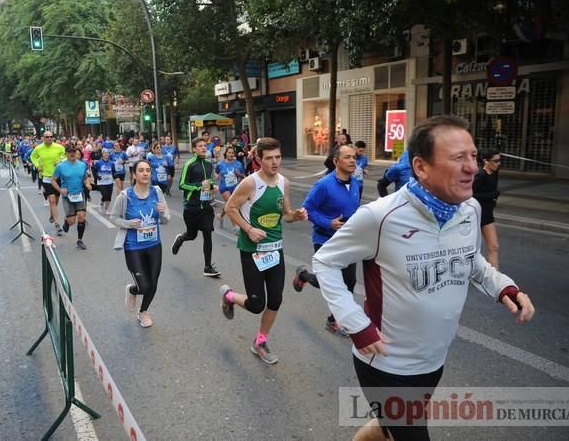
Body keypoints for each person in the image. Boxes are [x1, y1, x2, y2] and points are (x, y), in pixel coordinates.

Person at [312, 115, 535, 441]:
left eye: (473, 156)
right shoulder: (380, 216)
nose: (473, 167)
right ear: (421, 166)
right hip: (386, 362)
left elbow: (470, 261)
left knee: (387, 427)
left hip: (433, 357)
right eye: (459, 158)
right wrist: (355, 323)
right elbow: (325, 262)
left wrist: (504, 287)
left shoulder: (469, 208)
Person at [219, 137, 309, 365]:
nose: (275, 162)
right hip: (252, 250)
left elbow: (285, 215)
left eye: (278, 157)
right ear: (259, 160)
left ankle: (260, 341)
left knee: (276, 300)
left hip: (275, 249)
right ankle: (228, 296)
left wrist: (295, 216)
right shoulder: (250, 183)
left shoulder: (284, 183)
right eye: (269, 158)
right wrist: (248, 229)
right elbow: (230, 207)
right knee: (257, 303)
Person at [294, 144, 361, 337]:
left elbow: (354, 210)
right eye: (347, 157)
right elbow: (307, 209)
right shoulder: (324, 184)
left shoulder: (355, 183)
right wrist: (328, 223)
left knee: (348, 283)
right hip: (325, 240)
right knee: (330, 283)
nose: (352, 161)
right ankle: (304, 276)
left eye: (354, 157)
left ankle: (333, 320)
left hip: (348, 241)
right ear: (336, 161)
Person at [111, 159, 170, 328]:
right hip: (133, 247)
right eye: (141, 170)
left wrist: (163, 213)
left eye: (148, 170)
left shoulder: (157, 192)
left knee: (153, 283)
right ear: (134, 175)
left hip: (154, 244)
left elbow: (166, 220)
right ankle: (133, 290)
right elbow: (113, 217)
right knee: (143, 286)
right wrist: (129, 224)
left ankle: (143, 312)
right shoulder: (125, 195)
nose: (145, 173)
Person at [170, 137, 221, 277]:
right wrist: (199, 186)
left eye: (205, 145)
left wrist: (212, 186)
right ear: (194, 149)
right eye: (200, 146)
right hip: (191, 207)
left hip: (206, 206)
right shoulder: (190, 164)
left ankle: (207, 266)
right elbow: (182, 185)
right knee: (192, 235)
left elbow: (208, 181)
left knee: (208, 235)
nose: (203, 148)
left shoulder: (209, 164)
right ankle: (181, 239)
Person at [51, 145, 92, 250]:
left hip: (79, 194)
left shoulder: (82, 165)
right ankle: (67, 221)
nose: (72, 153)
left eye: (74, 151)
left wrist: (87, 183)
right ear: (66, 154)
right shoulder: (60, 167)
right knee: (72, 221)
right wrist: (60, 190)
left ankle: (80, 240)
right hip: (67, 196)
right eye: (69, 151)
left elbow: (85, 177)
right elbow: (53, 180)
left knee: (81, 216)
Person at [30, 131, 66, 234]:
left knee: (56, 199)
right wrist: (37, 165)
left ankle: (52, 215)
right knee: (52, 200)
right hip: (46, 177)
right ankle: (57, 224)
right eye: (47, 137)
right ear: (43, 138)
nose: (49, 138)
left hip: (58, 177)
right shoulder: (39, 148)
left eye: (51, 137)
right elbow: (33, 157)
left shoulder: (59, 147)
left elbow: (66, 156)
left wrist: (60, 161)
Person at [473, 148, 502, 268]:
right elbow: (471, 195)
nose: (498, 163)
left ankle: (495, 279)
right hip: (476, 215)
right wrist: (492, 195)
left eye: (499, 160)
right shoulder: (480, 176)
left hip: (488, 214)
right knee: (470, 249)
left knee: (494, 246)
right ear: (486, 161)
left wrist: (493, 200)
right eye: (495, 161)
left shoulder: (494, 173)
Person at [214, 146, 245, 232]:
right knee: (231, 205)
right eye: (229, 153)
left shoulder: (238, 164)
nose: (231, 154)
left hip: (235, 187)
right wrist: (217, 176)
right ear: (226, 154)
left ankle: (220, 216)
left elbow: (244, 176)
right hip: (224, 187)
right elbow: (216, 173)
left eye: (232, 153)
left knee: (228, 204)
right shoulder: (220, 164)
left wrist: (239, 175)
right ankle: (235, 227)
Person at [92, 148, 116, 214]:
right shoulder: (98, 163)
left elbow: (114, 172)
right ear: (102, 154)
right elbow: (94, 171)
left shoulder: (111, 163)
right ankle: (101, 202)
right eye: (105, 153)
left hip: (110, 182)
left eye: (107, 153)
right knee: (105, 195)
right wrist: (97, 177)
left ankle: (106, 210)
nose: (106, 154)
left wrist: (114, 177)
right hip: (101, 182)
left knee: (109, 197)